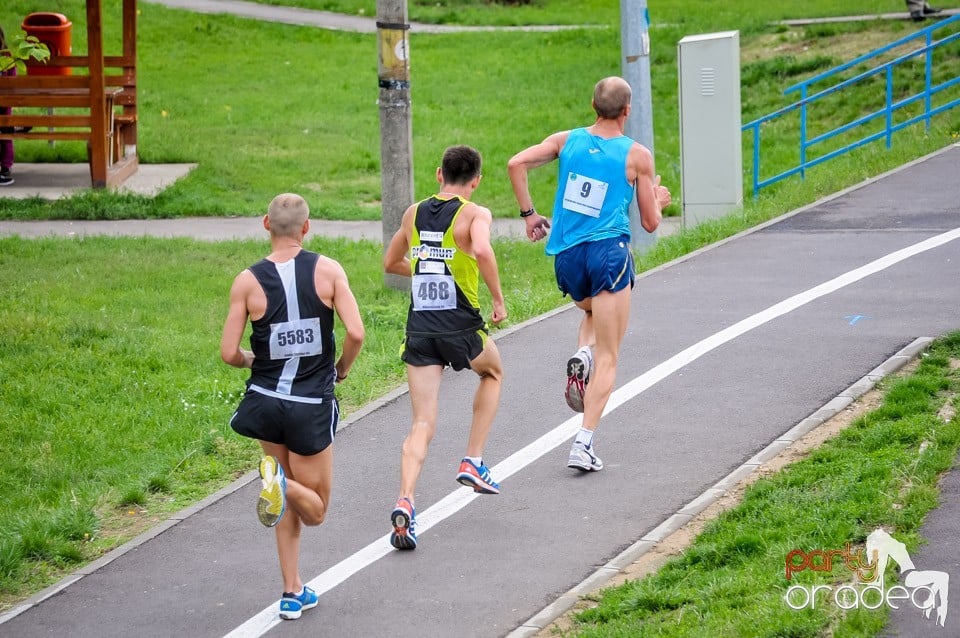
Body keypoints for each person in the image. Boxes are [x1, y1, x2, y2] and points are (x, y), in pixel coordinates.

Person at [507, 76, 671, 473]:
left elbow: (516, 163)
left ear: (592, 105)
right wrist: (660, 200)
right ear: (627, 110)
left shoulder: (567, 140)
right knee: (610, 356)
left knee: (592, 311)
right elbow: (649, 223)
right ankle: (583, 443)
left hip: (567, 258)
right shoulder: (637, 156)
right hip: (608, 254)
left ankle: (582, 352)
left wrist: (529, 215)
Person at [220, 193, 364, 620]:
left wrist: (252, 359)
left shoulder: (246, 281)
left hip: (266, 403)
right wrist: (341, 369)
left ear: (266, 223)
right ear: (307, 227)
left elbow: (229, 352)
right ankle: (279, 484)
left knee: (282, 492)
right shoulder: (328, 271)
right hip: (309, 404)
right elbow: (355, 333)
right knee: (315, 509)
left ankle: (291, 590)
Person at [383, 145, 507, 550]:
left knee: (422, 423)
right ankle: (472, 458)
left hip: (420, 327)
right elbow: (484, 250)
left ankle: (406, 500)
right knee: (492, 372)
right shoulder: (475, 214)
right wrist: (498, 301)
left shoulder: (412, 213)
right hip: (459, 323)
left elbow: (392, 263)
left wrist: (424, 267)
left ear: (439, 174)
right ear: (476, 181)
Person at [0, 26, 16, 186]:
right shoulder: (8, 57)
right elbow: (13, 82)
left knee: (5, 129)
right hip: (6, 104)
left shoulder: (7, 58)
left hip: (4, 103)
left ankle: (5, 166)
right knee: (6, 132)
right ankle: (5, 166)